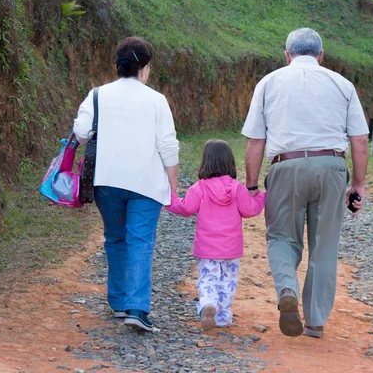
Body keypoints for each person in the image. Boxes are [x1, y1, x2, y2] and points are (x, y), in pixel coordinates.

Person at [241, 28, 369, 338]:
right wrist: (359, 186)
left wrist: (252, 185)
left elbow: (256, 141)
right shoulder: (342, 84)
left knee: (282, 238)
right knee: (324, 247)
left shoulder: (268, 83)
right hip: (332, 167)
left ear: (287, 56)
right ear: (321, 56)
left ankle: (288, 289)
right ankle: (315, 322)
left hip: (287, 166)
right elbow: (360, 140)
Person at [73, 36, 179, 332]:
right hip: (146, 183)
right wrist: (173, 182)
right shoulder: (156, 100)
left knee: (115, 238)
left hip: (106, 181)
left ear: (117, 65)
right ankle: (136, 309)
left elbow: (81, 133)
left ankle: (119, 303)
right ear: (144, 68)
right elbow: (167, 145)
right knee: (141, 241)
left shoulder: (97, 95)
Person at [166, 139, 266, 330]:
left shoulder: (200, 188)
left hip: (207, 248)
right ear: (230, 163)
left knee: (208, 279)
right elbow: (250, 210)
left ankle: (207, 304)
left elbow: (185, 208)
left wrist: (169, 197)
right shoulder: (237, 188)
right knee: (228, 281)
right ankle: (222, 317)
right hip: (231, 249)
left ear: (206, 162)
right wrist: (262, 196)